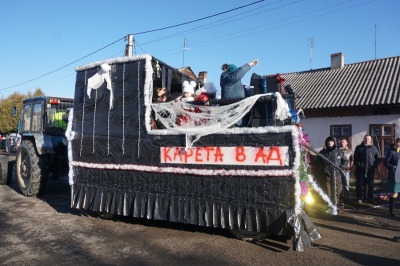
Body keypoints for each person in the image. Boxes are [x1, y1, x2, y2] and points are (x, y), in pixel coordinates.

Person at [319, 136, 348, 206]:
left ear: (334, 142)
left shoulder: (339, 152)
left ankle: (336, 203)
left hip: (337, 173)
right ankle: (329, 204)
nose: (330, 142)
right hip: (327, 174)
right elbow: (318, 162)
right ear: (326, 142)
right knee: (328, 191)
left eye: (331, 141)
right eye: (328, 141)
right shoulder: (322, 152)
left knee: (338, 190)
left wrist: (341, 167)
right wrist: (322, 169)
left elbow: (345, 161)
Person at [354, 134, 381, 204]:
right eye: (366, 138)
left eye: (368, 139)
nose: (367, 140)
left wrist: (375, 165)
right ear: (364, 139)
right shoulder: (359, 147)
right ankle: (359, 197)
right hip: (361, 169)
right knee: (360, 184)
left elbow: (378, 158)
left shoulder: (374, 148)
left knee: (370, 184)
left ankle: (370, 197)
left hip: (370, 169)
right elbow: (355, 158)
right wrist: (359, 165)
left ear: (371, 140)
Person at [383, 138, 400, 217]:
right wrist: (392, 167)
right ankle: (392, 211)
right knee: (394, 192)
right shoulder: (391, 152)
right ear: (396, 143)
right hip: (395, 175)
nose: (399, 144)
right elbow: (385, 162)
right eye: (398, 142)